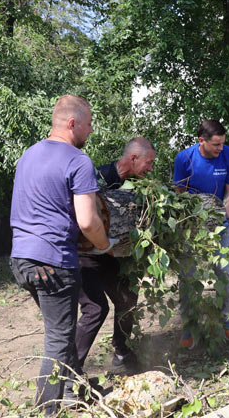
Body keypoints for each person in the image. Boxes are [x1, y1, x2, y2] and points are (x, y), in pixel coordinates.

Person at [8, 94, 117, 415]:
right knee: (57, 341)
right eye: (89, 124)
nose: (91, 130)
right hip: (54, 263)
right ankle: (47, 410)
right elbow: (87, 220)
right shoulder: (77, 161)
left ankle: (72, 391)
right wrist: (106, 244)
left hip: (21, 261)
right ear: (72, 124)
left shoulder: (29, 154)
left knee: (63, 330)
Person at [76, 137, 156, 375]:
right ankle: (71, 370)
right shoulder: (98, 178)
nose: (150, 168)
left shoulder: (142, 186)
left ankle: (121, 354)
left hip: (113, 257)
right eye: (148, 163)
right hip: (85, 256)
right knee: (96, 309)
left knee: (127, 299)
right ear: (133, 158)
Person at [173, 119, 229, 349]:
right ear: (201, 141)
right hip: (192, 223)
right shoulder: (184, 158)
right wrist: (193, 221)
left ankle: (227, 320)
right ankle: (189, 327)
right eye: (215, 145)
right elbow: (179, 194)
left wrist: (225, 221)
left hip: (219, 221)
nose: (220, 149)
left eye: (222, 144)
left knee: (225, 271)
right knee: (188, 275)